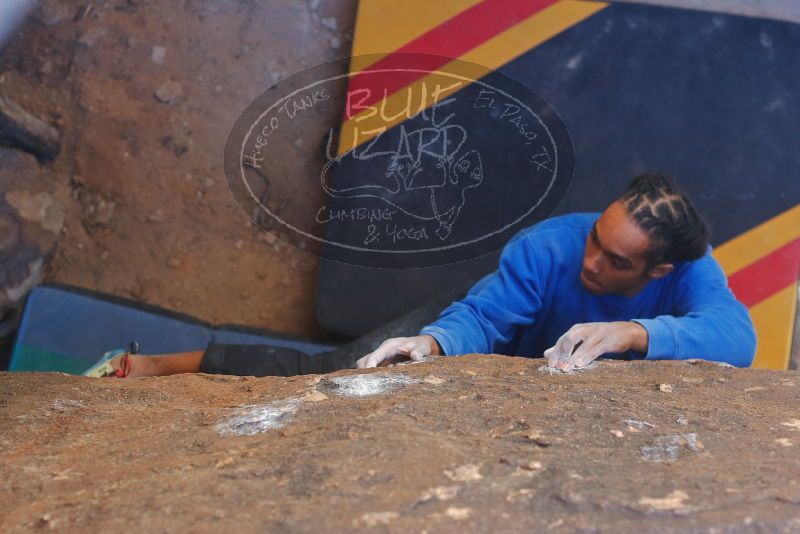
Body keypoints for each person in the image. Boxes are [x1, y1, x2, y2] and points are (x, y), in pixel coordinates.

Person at [84, 173, 756, 378]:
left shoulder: (693, 275)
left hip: (533, 393)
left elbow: (737, 338)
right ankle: (161, 366)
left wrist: (631, 334)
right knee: (341, 371)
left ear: (661, 268)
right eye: (595, 240)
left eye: (615, 261)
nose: (591, 263)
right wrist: (432, 344)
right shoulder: (548, 249)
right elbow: (485, 318)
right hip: (478, 341)